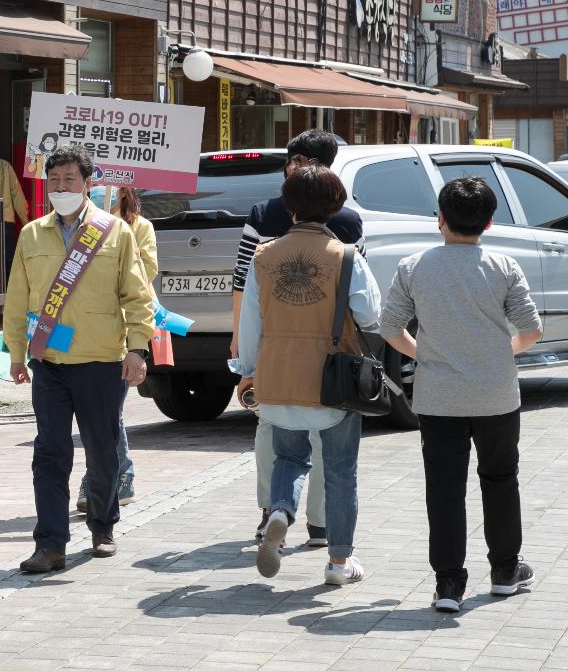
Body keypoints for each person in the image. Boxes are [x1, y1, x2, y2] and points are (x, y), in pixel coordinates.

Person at [380, 177, 542, 613]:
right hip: (497, 395)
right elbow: (531, 330)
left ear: (441, 220)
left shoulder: (414, 266)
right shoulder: (505, 266)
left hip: (438, 397)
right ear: (489, 222)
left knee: (445, 489)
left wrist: (425, 354)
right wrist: (500, 353)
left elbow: (390, 328)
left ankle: (448, 583)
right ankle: (505, 570)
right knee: (501, 480)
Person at [4, 146, 154, 572]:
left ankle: (103, 527)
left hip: (102, 360)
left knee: (101, 450)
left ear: (88, 183)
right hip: (48, 362)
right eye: (54, 180)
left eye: (70, 179)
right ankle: (50, 544)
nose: (61, 187)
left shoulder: (114, 232)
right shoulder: (32, 235)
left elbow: (137, 295)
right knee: (49, 453)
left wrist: (137, 349)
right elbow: (17, 299)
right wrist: (17, 353)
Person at [231, 163, 379, 587]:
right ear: (335, 206)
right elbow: (372, 315)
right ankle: (337, 563)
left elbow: (251, 325)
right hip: (330, 380)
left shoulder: (264, 256)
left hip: (277, 376)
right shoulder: (346, 256)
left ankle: (279, 510)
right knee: (339, 470)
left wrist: (247, 372)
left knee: (289, 457)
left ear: (289, 204)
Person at [76, 186, 158, 512]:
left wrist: (117, 254)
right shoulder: (76, 224)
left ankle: (109, 478)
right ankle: (114, 476)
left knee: (109, 410)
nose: (95, 188)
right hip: (84, 329)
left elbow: (146, 272)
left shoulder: (139, 227)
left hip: (122, 329)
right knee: (97, 410)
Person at [0, 154, 31, 273]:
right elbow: (17, 195)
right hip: (4, 219)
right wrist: (25, 222)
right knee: (7, 262)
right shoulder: (4, 165)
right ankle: (9, 289)